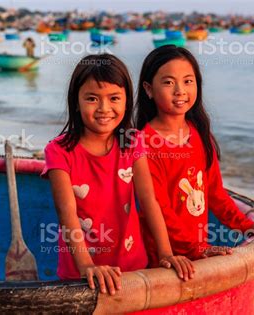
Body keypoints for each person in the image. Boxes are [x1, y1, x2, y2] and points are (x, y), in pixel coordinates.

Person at [41, 54, 194, 295]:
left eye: (114, 98)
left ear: (126, 101)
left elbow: (148, 201)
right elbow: (67, 214)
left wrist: (166, 254)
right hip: (81, 272)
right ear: (76, 101)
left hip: (133, 264)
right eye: (92, 98)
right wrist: (87, 266)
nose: (104, 109)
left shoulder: (132, 142)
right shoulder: (59, 150)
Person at [135, 45, 254, 266]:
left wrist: (244, 225)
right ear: (148, 89)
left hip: (197, 249)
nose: (180, 90)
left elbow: (214, 192)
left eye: (188, 81)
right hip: (162, 256)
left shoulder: (199, 133)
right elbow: (157, 207)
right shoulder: (144, 143)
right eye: (168, 82)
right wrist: (194, 249)